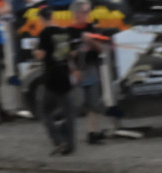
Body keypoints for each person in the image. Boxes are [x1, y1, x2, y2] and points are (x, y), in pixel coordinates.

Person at [35, 7, 82, 155]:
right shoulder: (64, 32)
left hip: (51, 75)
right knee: (69, 112)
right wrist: (73, 70)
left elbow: (41, 55)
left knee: (44, 110)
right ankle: (70, 145)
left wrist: (35, 51)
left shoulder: (44, 34)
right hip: (64, 74)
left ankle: (59, 140)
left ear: (42, 19)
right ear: (52, 16)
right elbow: (71, 54)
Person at [69, 0, 110, 145]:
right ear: (76, 13)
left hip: (91, 69)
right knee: (77, 103)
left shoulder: (92, 28)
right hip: (76, 71)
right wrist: (73, 68)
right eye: (84, 12)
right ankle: (66, 130)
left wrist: (91, 41)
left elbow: (101, 49)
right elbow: (65, 55)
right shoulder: (69, 32)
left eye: (88, 11)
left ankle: (92, 132)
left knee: (94, 103)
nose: (87, 14)